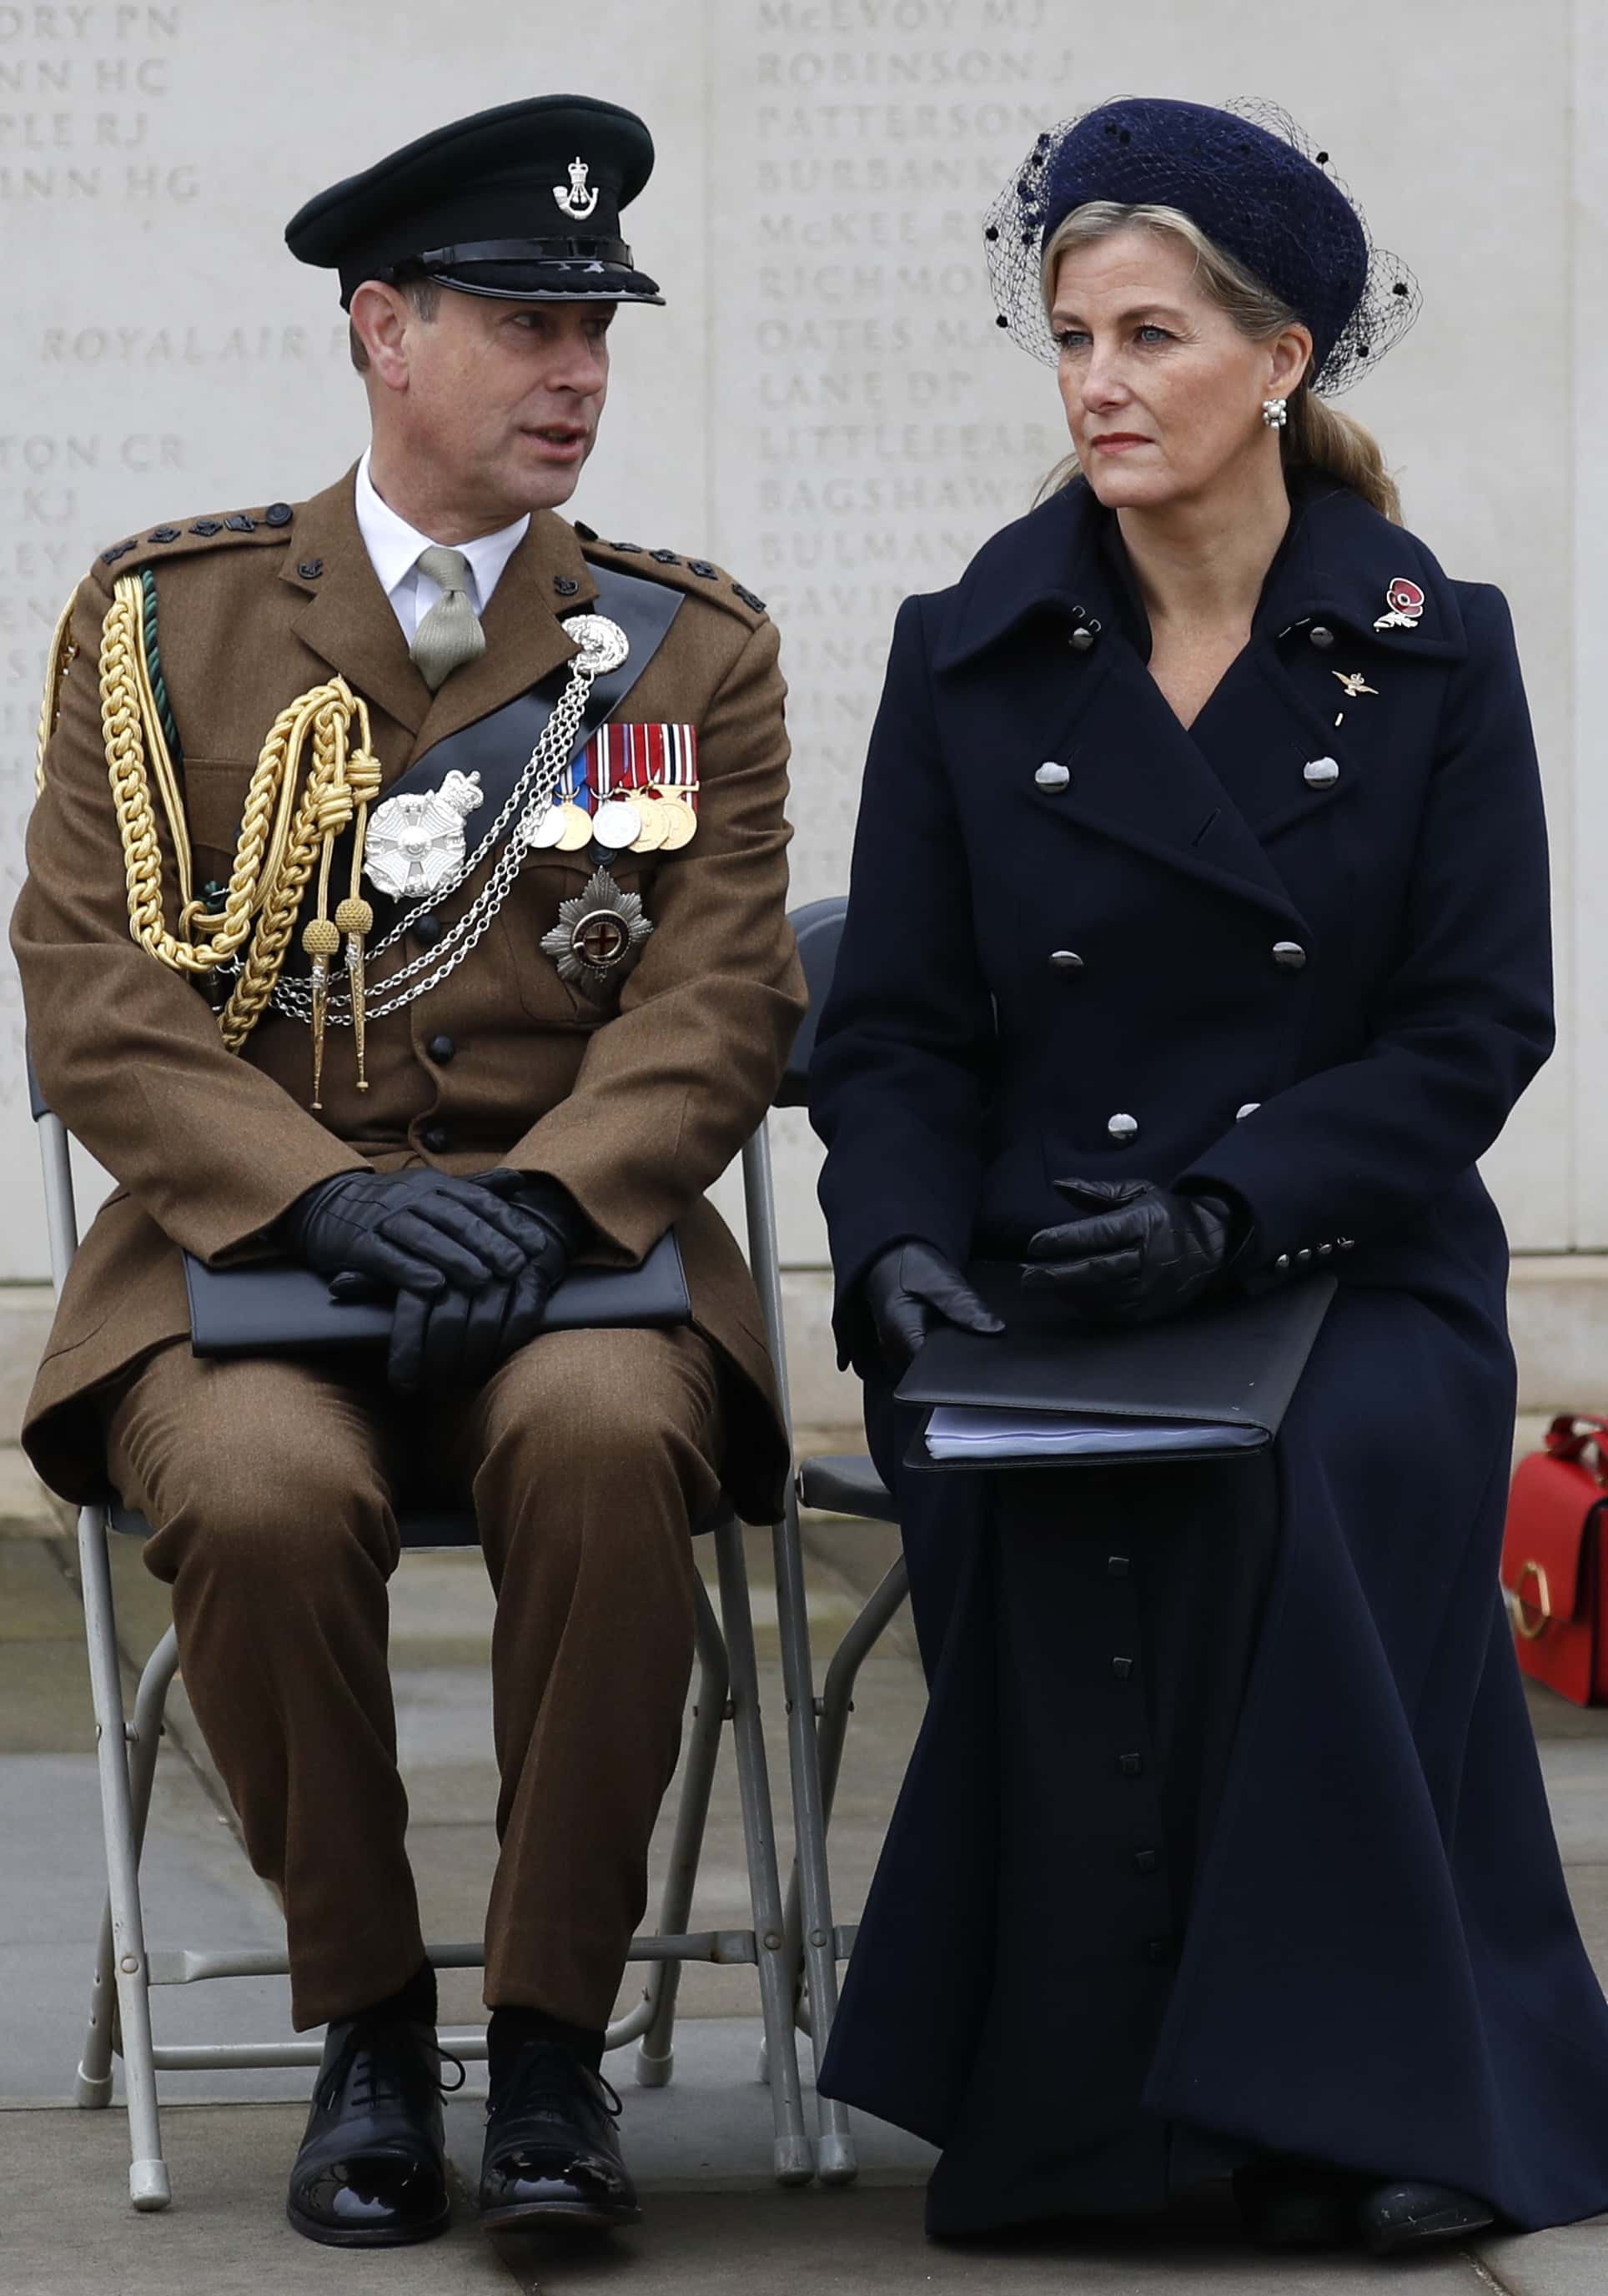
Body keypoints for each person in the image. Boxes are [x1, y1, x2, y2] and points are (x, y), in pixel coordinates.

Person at [808, 95, 1608, 2259]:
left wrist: (1243, 1207)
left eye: (1150, 334)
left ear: (1282, 361)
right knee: (1055, 1475)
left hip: (1342, 1256)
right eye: (1072, 333)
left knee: (1317, 1466)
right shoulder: (967, 649)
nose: (1096, 382)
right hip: (1034, 1263)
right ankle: (1099, 2116)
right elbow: (890, 1032)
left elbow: (1472, 1024)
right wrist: (889, 1249)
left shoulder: (1440, 647)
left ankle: (1370, 2094)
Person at [16, 93, 804, 2248]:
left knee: (609, 1444)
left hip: (577, 1266)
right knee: (264, 1493)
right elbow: (87, 980)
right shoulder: (160, 627)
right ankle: (366, 2028)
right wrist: (321, 1196)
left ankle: (550, 2049)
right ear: (382, 328)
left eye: (599, 329)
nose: (579, 371)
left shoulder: (688, 649)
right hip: (245, 1261)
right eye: (530, 321)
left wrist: (550, 1204)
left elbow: (720, 993)